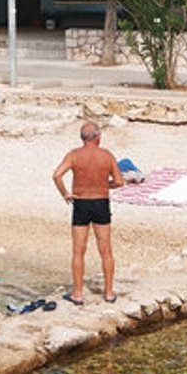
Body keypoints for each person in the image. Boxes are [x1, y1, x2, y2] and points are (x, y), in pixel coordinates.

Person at [52, 121, 123, 304]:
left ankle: (77, 293)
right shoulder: (106, 155)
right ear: (97, 137)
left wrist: (65, 194)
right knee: (105, 249)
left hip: (81, 203)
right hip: (101, 203)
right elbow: (119, 181)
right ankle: (108, 293)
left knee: (78, 251)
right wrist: (104, 184)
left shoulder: (74, 155)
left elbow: (57, 175)